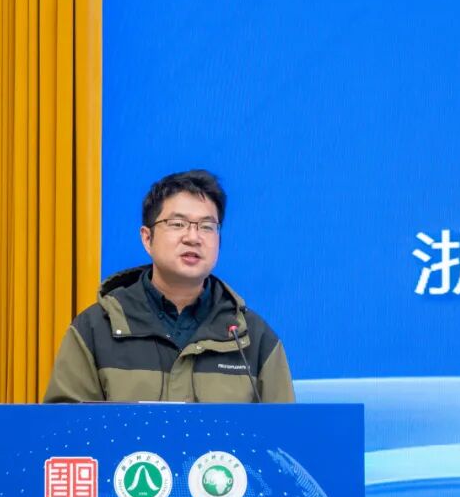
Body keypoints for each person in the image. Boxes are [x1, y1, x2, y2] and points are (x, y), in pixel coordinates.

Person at [43, 169, 295, 403]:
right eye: (177, 224)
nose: (193, 237)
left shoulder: (251, 338)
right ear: (147, 238)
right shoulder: (95, 330)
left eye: (207, 227)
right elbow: (65, 429)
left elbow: (284, 433)